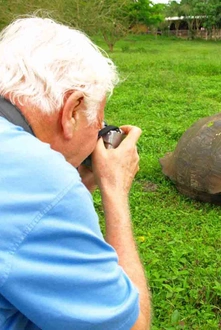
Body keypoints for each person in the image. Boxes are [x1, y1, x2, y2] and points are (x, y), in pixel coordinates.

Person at [0, 16, 151, 329]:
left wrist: (77, 182)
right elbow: (132, 326)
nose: (100, 129)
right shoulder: (41, 182)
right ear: (72, 110)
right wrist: (115, 190)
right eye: (99, 118)